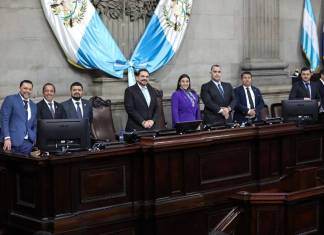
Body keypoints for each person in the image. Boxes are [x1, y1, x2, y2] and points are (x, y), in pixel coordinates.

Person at [0, 80, 37, 155]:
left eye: (30, 89)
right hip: (11, 142)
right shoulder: (10, 99)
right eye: (25, 88)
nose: (27, 91)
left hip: (27, 144)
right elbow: (4, 119)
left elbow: (34, 124)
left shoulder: (33, 105)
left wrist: (33, 137)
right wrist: (6, 138)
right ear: (20, 88)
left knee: (25, 166)